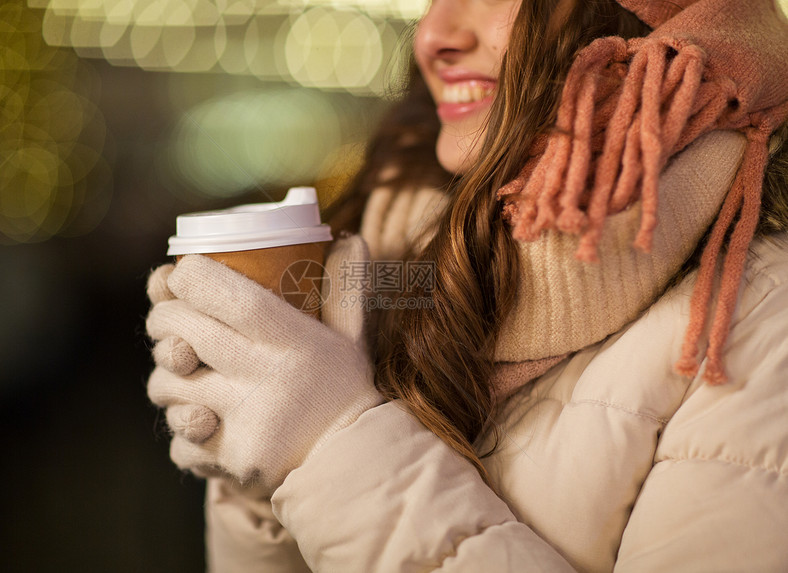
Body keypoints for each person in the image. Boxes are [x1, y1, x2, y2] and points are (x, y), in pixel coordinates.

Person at [145, 0, 788, 570]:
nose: (432, 36)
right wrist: (263, 466)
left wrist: (333, 450)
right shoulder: (395, 241)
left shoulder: (763, 315)